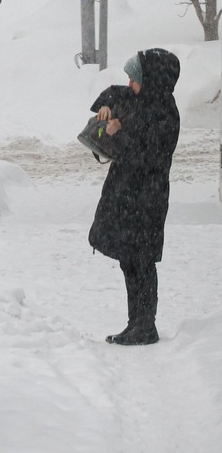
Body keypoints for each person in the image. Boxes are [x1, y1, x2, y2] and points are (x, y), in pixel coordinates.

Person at [88, 48, 180, 346]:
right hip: (128, 196)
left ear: (151, 80)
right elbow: (114, 92)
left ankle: (146, 326)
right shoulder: (138, 98)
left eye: (134, 79)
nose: (129, 84)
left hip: (147, 199)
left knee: (141, 261)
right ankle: (135, 323)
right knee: (128, 260)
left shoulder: (166, 114)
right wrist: (105, 106)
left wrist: (118, 134)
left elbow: (149, 157)